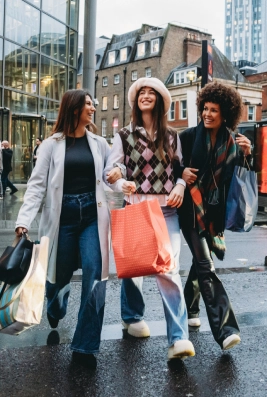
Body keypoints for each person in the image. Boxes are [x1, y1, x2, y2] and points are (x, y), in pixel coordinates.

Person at [15, 89, 118, 369]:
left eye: (93, 104)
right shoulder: (51, 145)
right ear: (74, 109)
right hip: (62, 218)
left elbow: (111, 176)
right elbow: (36, 186)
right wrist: (23, 220)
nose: (93, 109)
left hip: (92, 217)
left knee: (95, 276)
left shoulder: (99, 143)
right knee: (57, 278)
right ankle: (56, 304)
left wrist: (122, 182)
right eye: (88, 104)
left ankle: (85, 346)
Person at [104, 77, 195, 361]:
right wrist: (121, 184)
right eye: (140, 92)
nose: (145, 95)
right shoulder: (123, 136)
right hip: (136, 208)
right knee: (135, 269)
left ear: (159, 100)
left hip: (167, 211)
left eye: (150, 92)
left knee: (168, 269)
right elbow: (111, 171)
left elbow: (180, 169)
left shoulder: (172, 137)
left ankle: (178, 338)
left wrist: (180, 185)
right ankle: (131, 316)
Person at [177, 81, 252, 351]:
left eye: (214, 110)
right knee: (206, 264)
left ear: (226, 114)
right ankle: (225, 329)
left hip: (214, 213)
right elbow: (171, 168)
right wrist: (180, 173)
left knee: (201, 262)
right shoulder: (185, 137)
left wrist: (247, 155)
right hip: (190, 209)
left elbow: (237, 179)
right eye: (205, 109)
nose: (207, 114)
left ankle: (190, 309)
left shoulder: (233, 142)